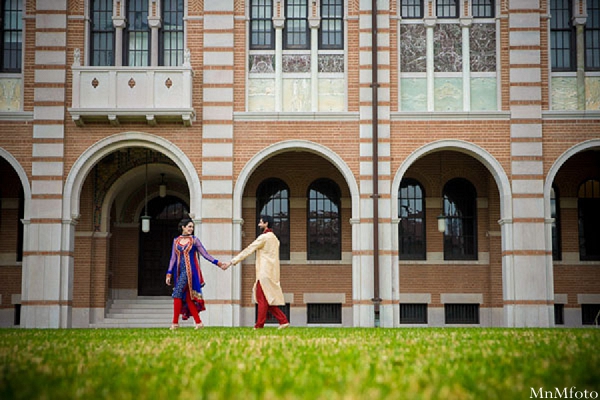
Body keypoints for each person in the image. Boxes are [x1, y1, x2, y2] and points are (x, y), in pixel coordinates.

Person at [223, 215, 290, 330]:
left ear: (266, 224)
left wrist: (232, 262)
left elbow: (249, 249)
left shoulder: (263, 238)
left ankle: (260, 325)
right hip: (272, 272)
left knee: (262, 299)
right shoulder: (275, 238)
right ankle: (282, 321)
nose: (259, 224)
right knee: (266, 299)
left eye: (261, 222)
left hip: (263, 272)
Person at [166, 218, 223, 330]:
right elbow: (173, 258)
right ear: (183, 227)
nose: (191, 229)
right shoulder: (176, 241)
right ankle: (199, 323)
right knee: (188, 298)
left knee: (177, 293)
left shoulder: (194, 240)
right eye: (189, 226)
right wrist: (169, 273)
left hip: (190, 272)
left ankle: (175, 323)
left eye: (192, 227)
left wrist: (218, 263)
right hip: (179, 272)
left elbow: (205, 254)